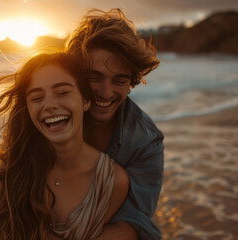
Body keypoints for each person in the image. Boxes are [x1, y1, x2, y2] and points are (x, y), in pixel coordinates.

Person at [0, 52, 129, 240]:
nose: (49, 105)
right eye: (37, 98)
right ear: (28, 109)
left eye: (62, 92)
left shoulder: (112, 181)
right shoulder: (10, 172)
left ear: (86, 101)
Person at [63, 8, 164, 240]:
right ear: (75, 75)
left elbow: (134, 223)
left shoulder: (146, 141)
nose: (105, 93)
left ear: (131, 83)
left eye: (119, 80)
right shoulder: (47, 116)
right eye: (94, 77)